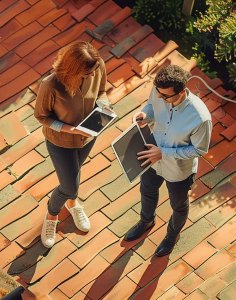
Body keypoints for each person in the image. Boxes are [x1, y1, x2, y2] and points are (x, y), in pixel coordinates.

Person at [124, 64, 212, 257]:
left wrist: (164, 153)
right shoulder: (160, 91)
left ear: (181, 92)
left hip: (178, 170)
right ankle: (146, 221)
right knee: (147, 191)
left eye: (166, 97)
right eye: (159, 94)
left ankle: (172, 236)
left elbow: (199, 149)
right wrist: (145, 115)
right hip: (152, 157)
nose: (161, 98)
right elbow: (151, 106)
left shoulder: (200, 118)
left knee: (178, 206)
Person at [33, 41, 111, 248]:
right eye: (87, 74)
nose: (93, 76)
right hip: (61, 142)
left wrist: (104, 107)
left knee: (73, 176)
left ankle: (73, 203)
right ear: (74, 69)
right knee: (69, 185)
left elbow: (102, 91)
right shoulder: (50, 85)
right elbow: (42, 117)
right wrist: (72, 129)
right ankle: (51, 216)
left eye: (95, 71)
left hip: (88, 137)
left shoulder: (97, 65)